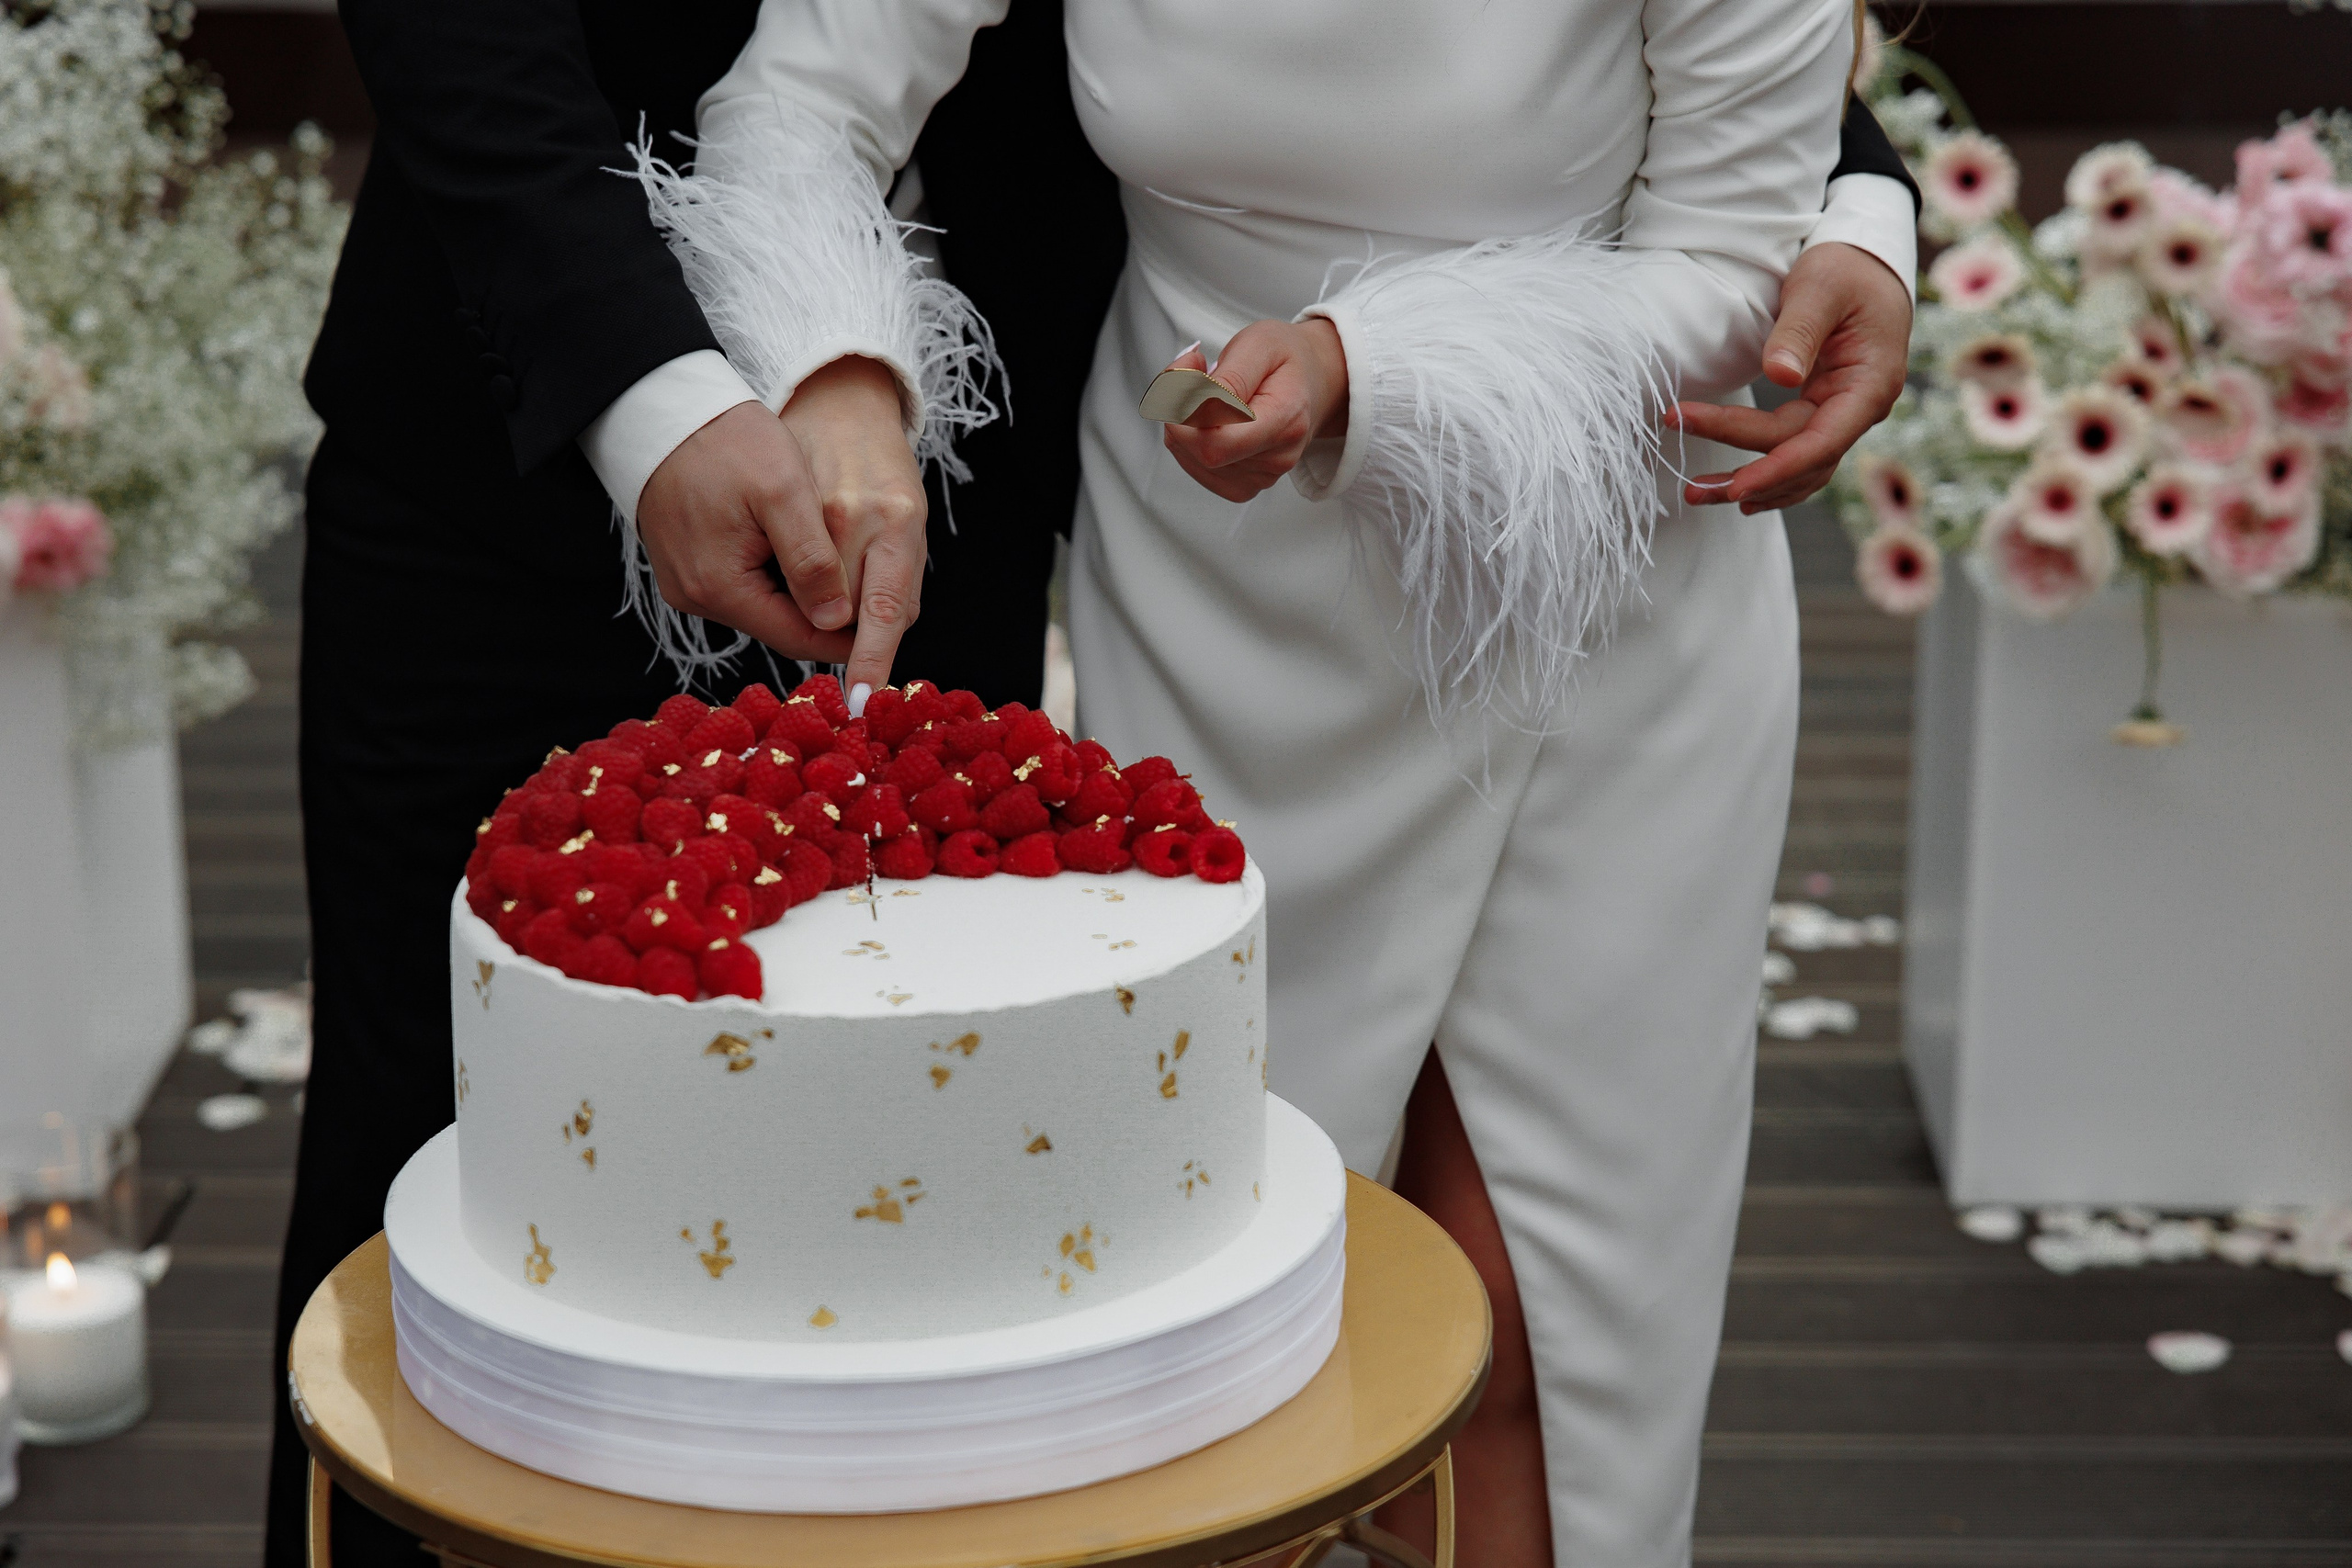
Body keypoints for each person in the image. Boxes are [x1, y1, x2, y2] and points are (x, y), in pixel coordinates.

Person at [264, 5, 1912, 1563]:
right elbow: (788, 86)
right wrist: (829, 362)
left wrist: (1838, 217)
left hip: (1548, 582)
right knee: (1139, 1335)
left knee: (1510, 1324)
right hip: (1112, 562)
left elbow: (1730, 174)